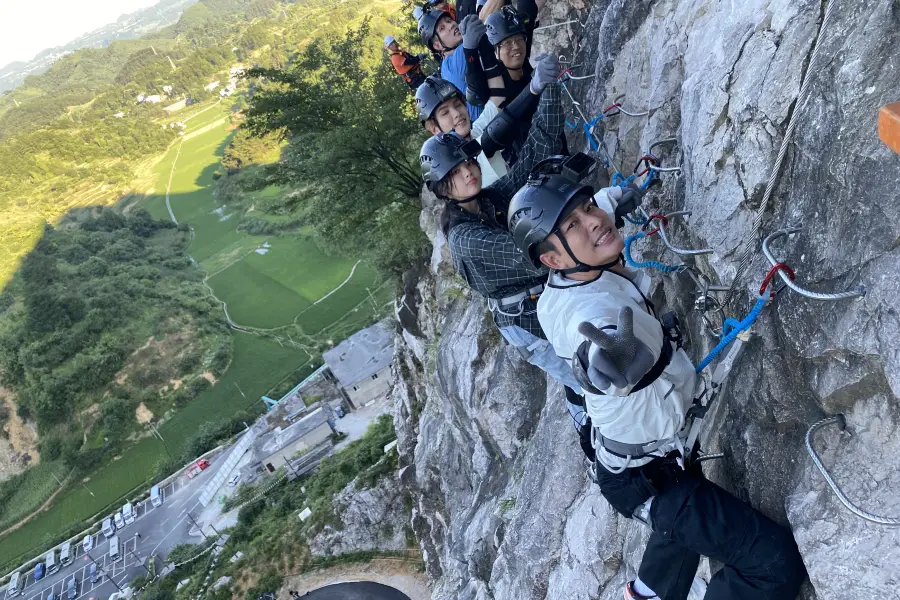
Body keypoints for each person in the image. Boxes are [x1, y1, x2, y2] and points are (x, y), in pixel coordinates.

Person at [506, 163, 808, 600]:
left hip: (643, 460)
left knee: (686, 519)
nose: (593, 221)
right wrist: (610, 359)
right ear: (551, 259)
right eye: (572, 224)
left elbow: (599, 211)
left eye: (588, 207)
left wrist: (619, 195)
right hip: (649, 477)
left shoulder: (563, 278)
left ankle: (648, 593)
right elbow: (591, 340)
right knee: (773, 562)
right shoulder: (581, 313)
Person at [418, 80, 595, 461]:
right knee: (586, 382)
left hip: (539, 304)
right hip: (528, 323)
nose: (468, 172)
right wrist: (595, 219)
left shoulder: (487, 200)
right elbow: (524, 251)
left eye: (468, 162)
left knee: (583, 372)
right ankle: (596, 446)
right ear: (443, 190)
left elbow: (536, 153)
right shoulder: (464, 237)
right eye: (456, 172)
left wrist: (546, 88)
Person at [414, 53, 557, 186]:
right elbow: (494, 133)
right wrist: (533, 87)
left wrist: (479, 46)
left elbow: (498, 99)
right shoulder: (457, 166)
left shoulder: (474, 131)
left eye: (458, 105)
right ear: (434, 128)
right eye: (445, 113)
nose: (456, 113)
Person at [418, 9, 482, 120]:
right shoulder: (456, 60)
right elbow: (479, 24)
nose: (451, 25)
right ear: (437, 46)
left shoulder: (445, 66)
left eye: (449, 21)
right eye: (442, 28)